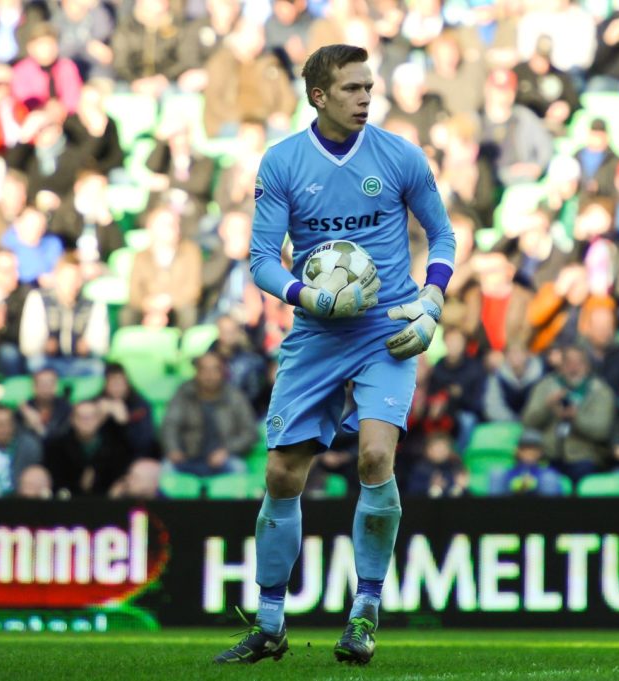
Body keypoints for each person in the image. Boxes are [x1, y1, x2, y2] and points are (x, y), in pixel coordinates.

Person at [213, 45, 455, 667]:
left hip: (386, 328)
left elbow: (443, 235)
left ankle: (365, 613)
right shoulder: (283, 162)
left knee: (375, 456)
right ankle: (270, 623)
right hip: (317, 332)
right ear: (318, 96)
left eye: (369, 87)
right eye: (351, 88)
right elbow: (262, 259)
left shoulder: (400, 155)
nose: (365, 98)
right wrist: (308, 294)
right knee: (281, 474)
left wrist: (431, 301)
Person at [521, 344, 617, 482]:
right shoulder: (545, 386)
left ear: (587, 366)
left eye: (579, 363)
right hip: (548, 455)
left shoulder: (601, 391)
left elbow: (602, 431)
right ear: (561, 365)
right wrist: (547, 406)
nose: (573, 368)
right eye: (568, 362)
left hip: (585, 457)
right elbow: (527, 422)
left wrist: (576, 418)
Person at [161, 351, 256, 477]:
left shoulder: (235, 397)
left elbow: (250, 433)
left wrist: (227, 450)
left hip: (223, 459)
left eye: (214, 370)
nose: (209, 375)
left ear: (223, 372)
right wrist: (173, 449)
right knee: (165, 470)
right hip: (187, 457)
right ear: (196, 372)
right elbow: (169, 425)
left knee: (239, 469)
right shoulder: (184, 393)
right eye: (204, 370)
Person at [43, 399, 134, 496]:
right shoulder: (57, 448)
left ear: (99, 420)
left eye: (91, 417)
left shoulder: (115, 446)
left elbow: (119, 477)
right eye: (81, 417)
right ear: (72, 420)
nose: (86, 422)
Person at [0, 404, 43, 498]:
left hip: (19, 502)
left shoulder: (27, 447)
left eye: (7, 424)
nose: (3, 429)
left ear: (14, 425)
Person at [494, 429, 568, 496]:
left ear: (541, 452)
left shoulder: (547, 472)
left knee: (549, 478)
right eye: (524, 449)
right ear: (517, 451)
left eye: (534, 449)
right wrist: (518, 483)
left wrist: (532, 482)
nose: (529, 452)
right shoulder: (509, 472)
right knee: (497, 474)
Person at [406, 433, 468, 498]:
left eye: (444, 448)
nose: (441, 452)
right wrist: (429, 486)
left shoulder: (454, 468)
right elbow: (411, 490)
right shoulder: (420, 469)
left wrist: (461, 486)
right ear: (428, 450)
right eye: (438, 448)